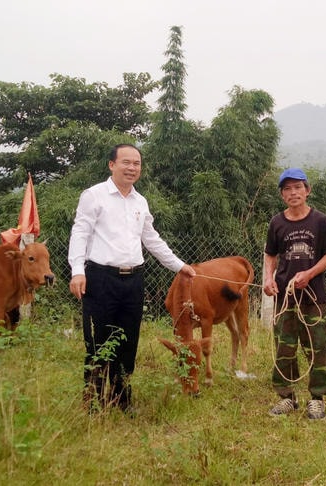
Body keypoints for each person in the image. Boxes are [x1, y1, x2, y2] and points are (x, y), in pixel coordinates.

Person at [68, 143, 196, 413]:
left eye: (136, 163)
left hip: (133, 281)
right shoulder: (94, 196)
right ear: (112, 165)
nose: (132, 168)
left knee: (128, 342)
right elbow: (80, 233)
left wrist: (178, 265)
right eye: (126, 162)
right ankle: (93, 402)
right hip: (100, 278)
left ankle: (122, 400)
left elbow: (151, 238)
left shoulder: (140, 201)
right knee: (98, 341)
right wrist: (77, 270)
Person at [263, 168, 326, 420]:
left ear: (307, 191)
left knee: (317, 347)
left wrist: (310, 273)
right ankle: (287, 397)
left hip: (314, 297)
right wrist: (267, 279)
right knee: (284, 347)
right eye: (287, 189)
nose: (293, 193)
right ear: (282, 195)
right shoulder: (277, 222)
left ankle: (316, 399)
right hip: (285, 298)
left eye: (298, 187)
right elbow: (270, 255)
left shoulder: (320, 221)